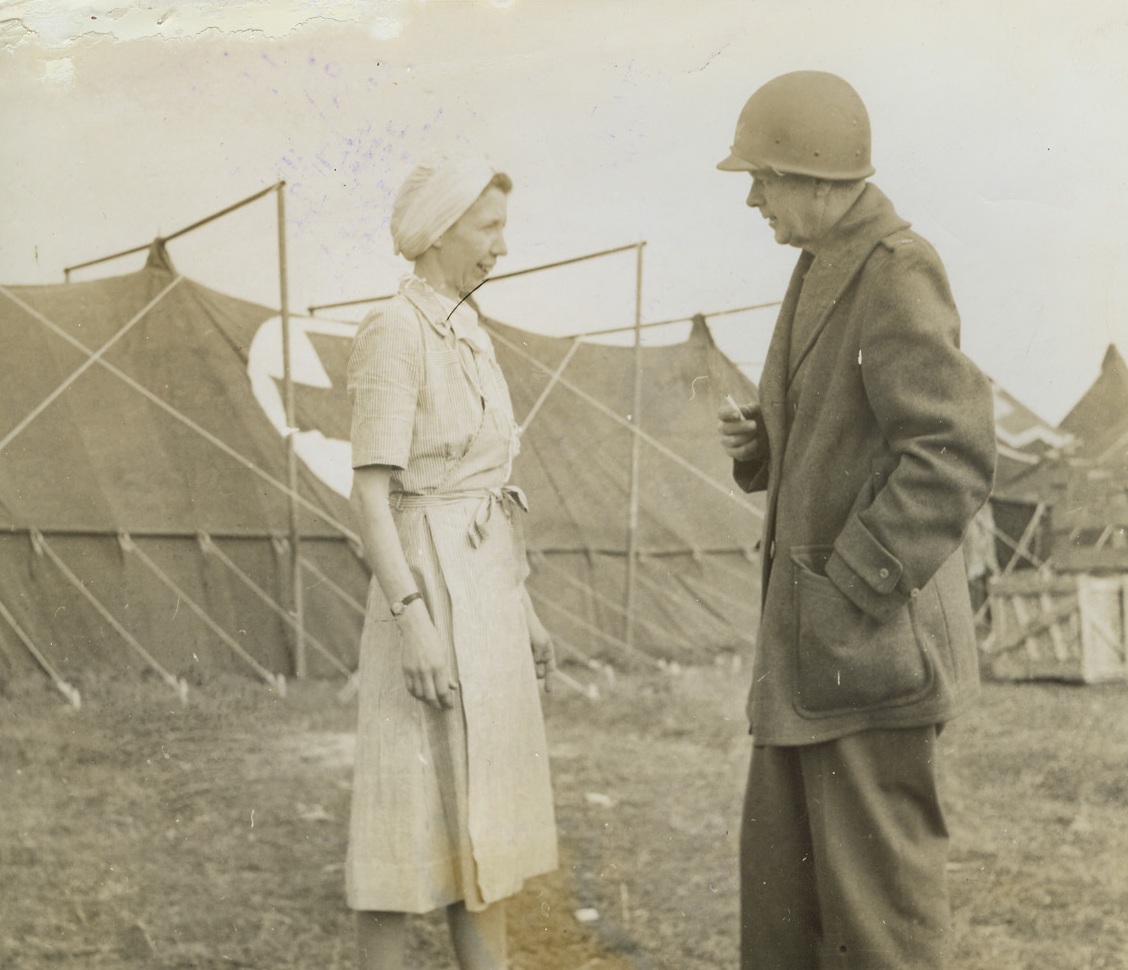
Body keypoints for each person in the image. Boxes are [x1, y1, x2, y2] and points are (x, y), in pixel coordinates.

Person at [714, 72, 996, 969]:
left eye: (763, 176)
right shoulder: (821, 263)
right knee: (786, 916)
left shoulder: (895, 267)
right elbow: (854, 430)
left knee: (879, 933)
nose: (753, 197)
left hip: (868, 653)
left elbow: (951, 451)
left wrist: (851, 588)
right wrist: (766, 442)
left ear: (816, 176)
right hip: (812, 656)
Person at [345, 154, 558, 970]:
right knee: (404, 823)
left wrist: (523, 609)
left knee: (487, 827)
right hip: (423, 592)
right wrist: (415, 625)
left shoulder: (471, 331)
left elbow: (487, 484)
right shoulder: (394, 332)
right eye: (489, 228)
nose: (502, 247)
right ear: (438, 233)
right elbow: (370, 499)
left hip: (488, 593)